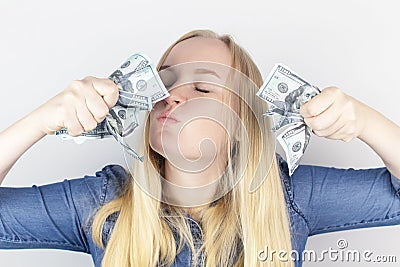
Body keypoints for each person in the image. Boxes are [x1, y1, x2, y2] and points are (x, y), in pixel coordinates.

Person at [0, 29, 399, 267]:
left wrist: (366, 122)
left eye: (203, 88)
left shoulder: (289, 196)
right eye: (164, 83)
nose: (172, 97)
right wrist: (42, 120)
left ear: (243, 124)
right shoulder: (102, 202)